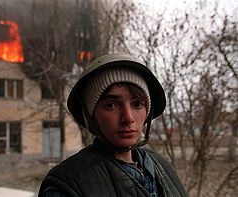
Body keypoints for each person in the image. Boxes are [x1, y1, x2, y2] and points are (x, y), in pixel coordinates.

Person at [38, 53, 187, 197]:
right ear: (91, 116)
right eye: (111, 105)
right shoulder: (67, 185)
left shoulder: (162, 166)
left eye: (137, 104)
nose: (128, 118)